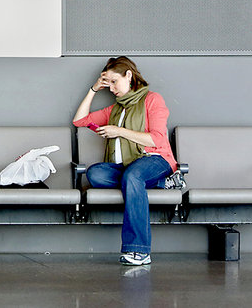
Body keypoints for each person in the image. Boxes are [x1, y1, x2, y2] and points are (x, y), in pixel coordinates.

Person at [72, 56, 184, 266]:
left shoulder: (152, 100)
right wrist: (94, 89)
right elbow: (79, 120)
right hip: (128, 166)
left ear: (129, 76)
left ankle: (139, 250)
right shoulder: (115, 109)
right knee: (95, 173)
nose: (112, 88)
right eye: (109, 83)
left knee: (133, 176)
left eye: (115, 81)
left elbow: (157, 139)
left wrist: (119, 132)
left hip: (155, 159)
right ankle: (165, 184)